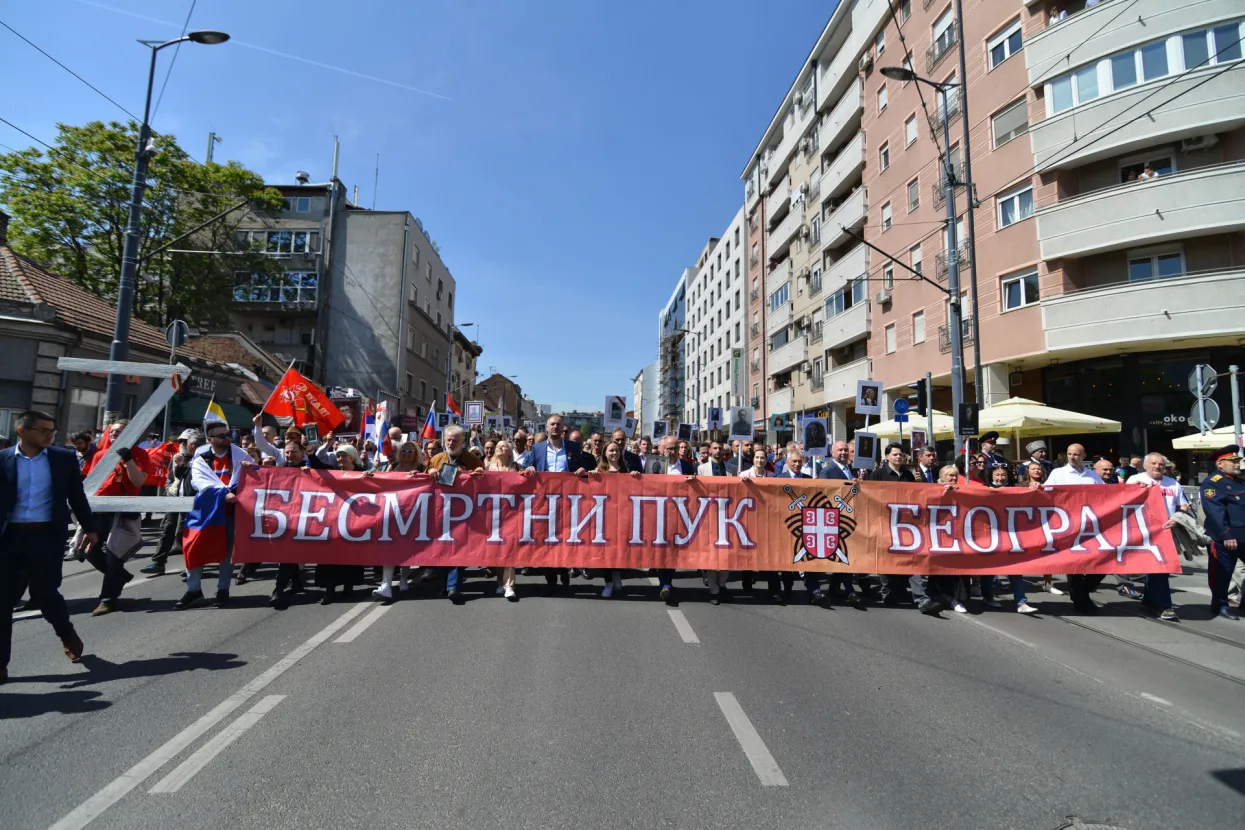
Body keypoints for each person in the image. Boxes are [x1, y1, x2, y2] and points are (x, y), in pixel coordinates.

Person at [1, 410, 95, 683]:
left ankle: (65, 631)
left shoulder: (63, 459)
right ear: (22, 431)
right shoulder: (3, 460)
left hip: (46, 537)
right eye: (43, 430)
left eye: (52, 430)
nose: (50, 435)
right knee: (2, 602)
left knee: (44, 594)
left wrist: (90, 529)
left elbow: (77, 497)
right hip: (9, 539)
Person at [174, 420, 251, 610]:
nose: (227, 438)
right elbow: (199, 482)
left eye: (228, 434)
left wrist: (252, 468)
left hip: (231, 510)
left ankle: (223, 590)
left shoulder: (240, 454)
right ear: (210, 439)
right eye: (222, 435)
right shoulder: (201, 456)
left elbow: (253, 477)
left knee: (227, 552)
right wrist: (224, 493)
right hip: (205, 509)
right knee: (193, 547)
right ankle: (194, 590)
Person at [83, 421, 150, 616]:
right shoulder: (99, 455)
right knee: (89, 551)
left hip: (123, 511)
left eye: (119, 431)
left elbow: (138, 481)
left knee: (114, 555)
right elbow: (93, 484)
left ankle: (107, 599)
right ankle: (119, 576)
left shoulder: (139, 454)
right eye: (112, 431)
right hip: (99, 510)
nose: (114, 434)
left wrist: (128, 459)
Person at [1045, 443, 1114, 613]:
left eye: (1076, 454)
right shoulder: (1058, 473)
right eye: (1069, 454)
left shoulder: (1092, 475)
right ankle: (1081, 601)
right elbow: (1045, 492)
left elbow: (1108, 495)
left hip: (1090, 526)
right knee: (1074, 564)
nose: (1072, 457)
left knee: (1101, 565)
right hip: (1068, 525)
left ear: (1084, 456)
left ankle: (1079, 594)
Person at [874, 443, 941, 615]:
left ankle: (922, 599)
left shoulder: (908, 476)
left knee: (912, 561)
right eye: (895, 454)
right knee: (887, 562)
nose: (898, 457)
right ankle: (887, 591)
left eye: (901, 454)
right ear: (887, 456)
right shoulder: (878, 475)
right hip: (884, 525)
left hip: (905, 527)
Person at [427, 425, 485, 603]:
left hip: (464, 514)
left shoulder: (472, 460)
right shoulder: (437, 459)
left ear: (463, 442)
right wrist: (430, 471)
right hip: (441, 512)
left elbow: (484, 482)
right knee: (443, 550)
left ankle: (453, 587)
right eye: (448, 440)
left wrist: (479, 475)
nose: (451, 443)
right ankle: (446, 585)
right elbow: (423, 478)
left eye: (455, 440)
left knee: (459, 550)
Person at [1126, 453, 1186, 622]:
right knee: (1159, 567)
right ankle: (1164, 605)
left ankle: (1151, 601)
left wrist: (1177, 518)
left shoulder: (1172, 483)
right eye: (1153, 463)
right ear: (1145, 465)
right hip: (1143, 531)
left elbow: (1183, 505)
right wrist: (1136, 491)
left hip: (1166, 531)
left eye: (1160, 464)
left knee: (1160, 568)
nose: (1157, 466)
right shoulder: (1134, 479)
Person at [370, 440, 426, 603]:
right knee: (390, 548)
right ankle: (386, 584)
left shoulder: (421, 468)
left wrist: (422, 476)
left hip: (413, 514)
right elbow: (380, 480)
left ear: (416, 454)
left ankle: (403, 578)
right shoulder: (392, 466)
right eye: (404, 450)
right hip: (392, 513)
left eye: (410, 451)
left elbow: (432, 479)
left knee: (405, 549)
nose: (407, 454)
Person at [141, 429, 201, 577]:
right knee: (168, 528)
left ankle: (193, 565)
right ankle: (158, 562)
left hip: (192, 502)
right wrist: (169, 490)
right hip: (174, 500)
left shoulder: (201, 459)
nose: (181, 444)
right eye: (180, 441)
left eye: (184, 441)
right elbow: (170, 478)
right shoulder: (176, 458)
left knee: (186, 533)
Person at [646, 435, 695, 601]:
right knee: (660, 549)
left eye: (675, 448)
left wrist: (693, 481)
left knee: (672, 549)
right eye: (669, 448)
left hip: (678, 514)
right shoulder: (654, 464)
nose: (673, 452)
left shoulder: (687, 466)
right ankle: (664, 582)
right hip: (657, 513)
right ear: (662, 449)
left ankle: (666, 582)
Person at [1201, 445, 1244, 621]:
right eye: (1233, 461)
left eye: (1238, 460)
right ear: (1220, 463)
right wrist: (1226, 535)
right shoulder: (1213, 483)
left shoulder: (1239, 481)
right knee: (1222, 573)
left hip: (1243, 535)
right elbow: (1215, 512)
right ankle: (1220, 605)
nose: (1237, 464)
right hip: (1226, 538)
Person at [596, 441, 641, 598]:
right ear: (605, 454)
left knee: (619, 549)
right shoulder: (599, 470)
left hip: (623, 515)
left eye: (616, 450)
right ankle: (608, 583)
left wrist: (635, 477)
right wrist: (591, 477)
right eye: (610, 451)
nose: (614, 453)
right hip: (605, 516)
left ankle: (617, 575)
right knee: (606, 551)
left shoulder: (626, 469)